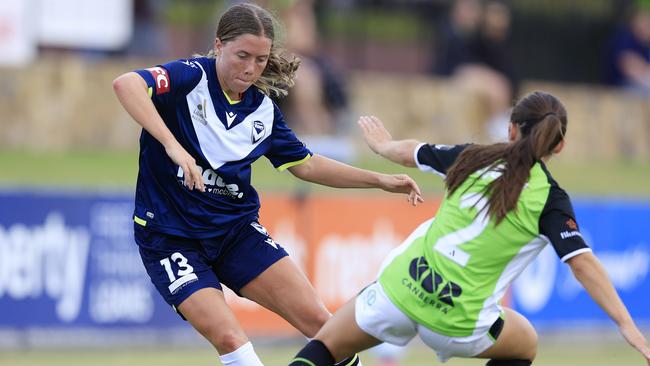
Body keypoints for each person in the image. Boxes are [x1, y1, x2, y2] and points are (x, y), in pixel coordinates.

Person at [112, 3, 423, 366]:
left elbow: (306, 165)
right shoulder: (189, 76)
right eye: (242, 56)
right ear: (218, 45)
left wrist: (380, 180)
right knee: (231, 338)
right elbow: (127, 84)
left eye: (260, 60)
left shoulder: (262, 110)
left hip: (235, 233)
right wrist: (172, 145)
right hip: (170, 237)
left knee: (325, 328)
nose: (250, 69)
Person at [288, 91, 650, 366]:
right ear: (560, 145)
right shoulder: (551, 200)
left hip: (403, 288)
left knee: (324, 347)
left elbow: (415, 151)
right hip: (458, 323)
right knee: (526, 341)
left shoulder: (474, 156)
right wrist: (626, 325)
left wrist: (383, 145)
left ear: (510, 129)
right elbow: (582, 262)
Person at [604, 0, 650, 95]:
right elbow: (630, 67)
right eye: (645, 19)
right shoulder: (624, 38)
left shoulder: (645, 44)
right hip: (619, 92)